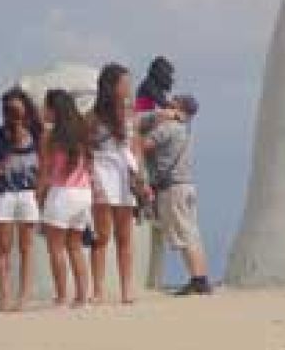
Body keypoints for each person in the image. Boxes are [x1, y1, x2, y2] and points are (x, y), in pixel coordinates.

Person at [0, 87, 43, 311]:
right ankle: (5, 296)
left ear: (25, 107)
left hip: (28, 193)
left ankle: (23, 296)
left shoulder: (36, 131)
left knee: (26, 247)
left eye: (15, 105)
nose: (12, 111)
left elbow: (47, 157)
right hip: (4, 193)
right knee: (4, 247)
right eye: (7, 107)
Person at [89, 63, 149, 304]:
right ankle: (98, 290)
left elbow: (136, 146)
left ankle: (126, 289)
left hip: (126, 174)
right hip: (103, 172)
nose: (128, 87)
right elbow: (87, 150)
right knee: (101, 236)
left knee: (125, 237)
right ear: (111, 86)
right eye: (124, 83)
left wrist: (141, 176)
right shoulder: (93, 117)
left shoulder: (131, 114)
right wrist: (93, 180)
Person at [140, 95, 212, 296]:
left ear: (178, 108)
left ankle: (199, 280)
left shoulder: (169, 128)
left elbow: (143, 145)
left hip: (173, 189)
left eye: (173, 101)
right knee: (191, 233)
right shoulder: (184, 130)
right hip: (186, 186)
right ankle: (200, 278)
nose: (168, 103)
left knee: (184, 235)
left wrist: (146, 124)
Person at [38, 89, 93, 308]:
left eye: (46, 107)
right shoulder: (82, 133)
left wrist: (38, 195)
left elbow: (45, 170)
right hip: (83, 193)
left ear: (54, 110)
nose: (43, 110)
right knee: (76, 247)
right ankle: (82, 297)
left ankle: (61, 297)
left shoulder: (49, 136)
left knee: (56, 248)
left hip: (61, 193)